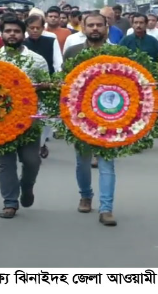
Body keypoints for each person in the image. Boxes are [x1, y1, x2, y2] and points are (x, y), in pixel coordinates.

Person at [0, 15, 50, 219]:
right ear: (1, 34)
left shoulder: (37, 60)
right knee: (5, 163)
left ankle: (27, 186)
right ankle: (10, 202)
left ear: (23, 35)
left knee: (31, 161)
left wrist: (42, 88)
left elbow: (46, 89)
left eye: (16, 31)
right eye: (8, 31)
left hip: (29, 120)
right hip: (0, 121)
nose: (12, 34)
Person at [63, 12, 117, 226]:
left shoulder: (118, 52)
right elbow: (64, 84)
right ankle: (86, 195)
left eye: (99, 25)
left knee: (107, 162)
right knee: (83, 161)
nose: (95, 28)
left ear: (106, 27)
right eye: (90, 25)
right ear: (83, 28)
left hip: (111, 115)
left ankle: (106, 209)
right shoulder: (73, 52)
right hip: (80, 116)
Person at [25, 14, 63, 159]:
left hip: (48, 83)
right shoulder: (22, 42)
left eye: (38, 28)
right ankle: (31, 143)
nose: (35, 30)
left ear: (43, 28)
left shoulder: (51, 41)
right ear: (27, 28)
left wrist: (57, 80)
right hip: (27, 85)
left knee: (47, 116)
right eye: (32, 27)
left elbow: (58, 62)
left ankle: (41, 143)